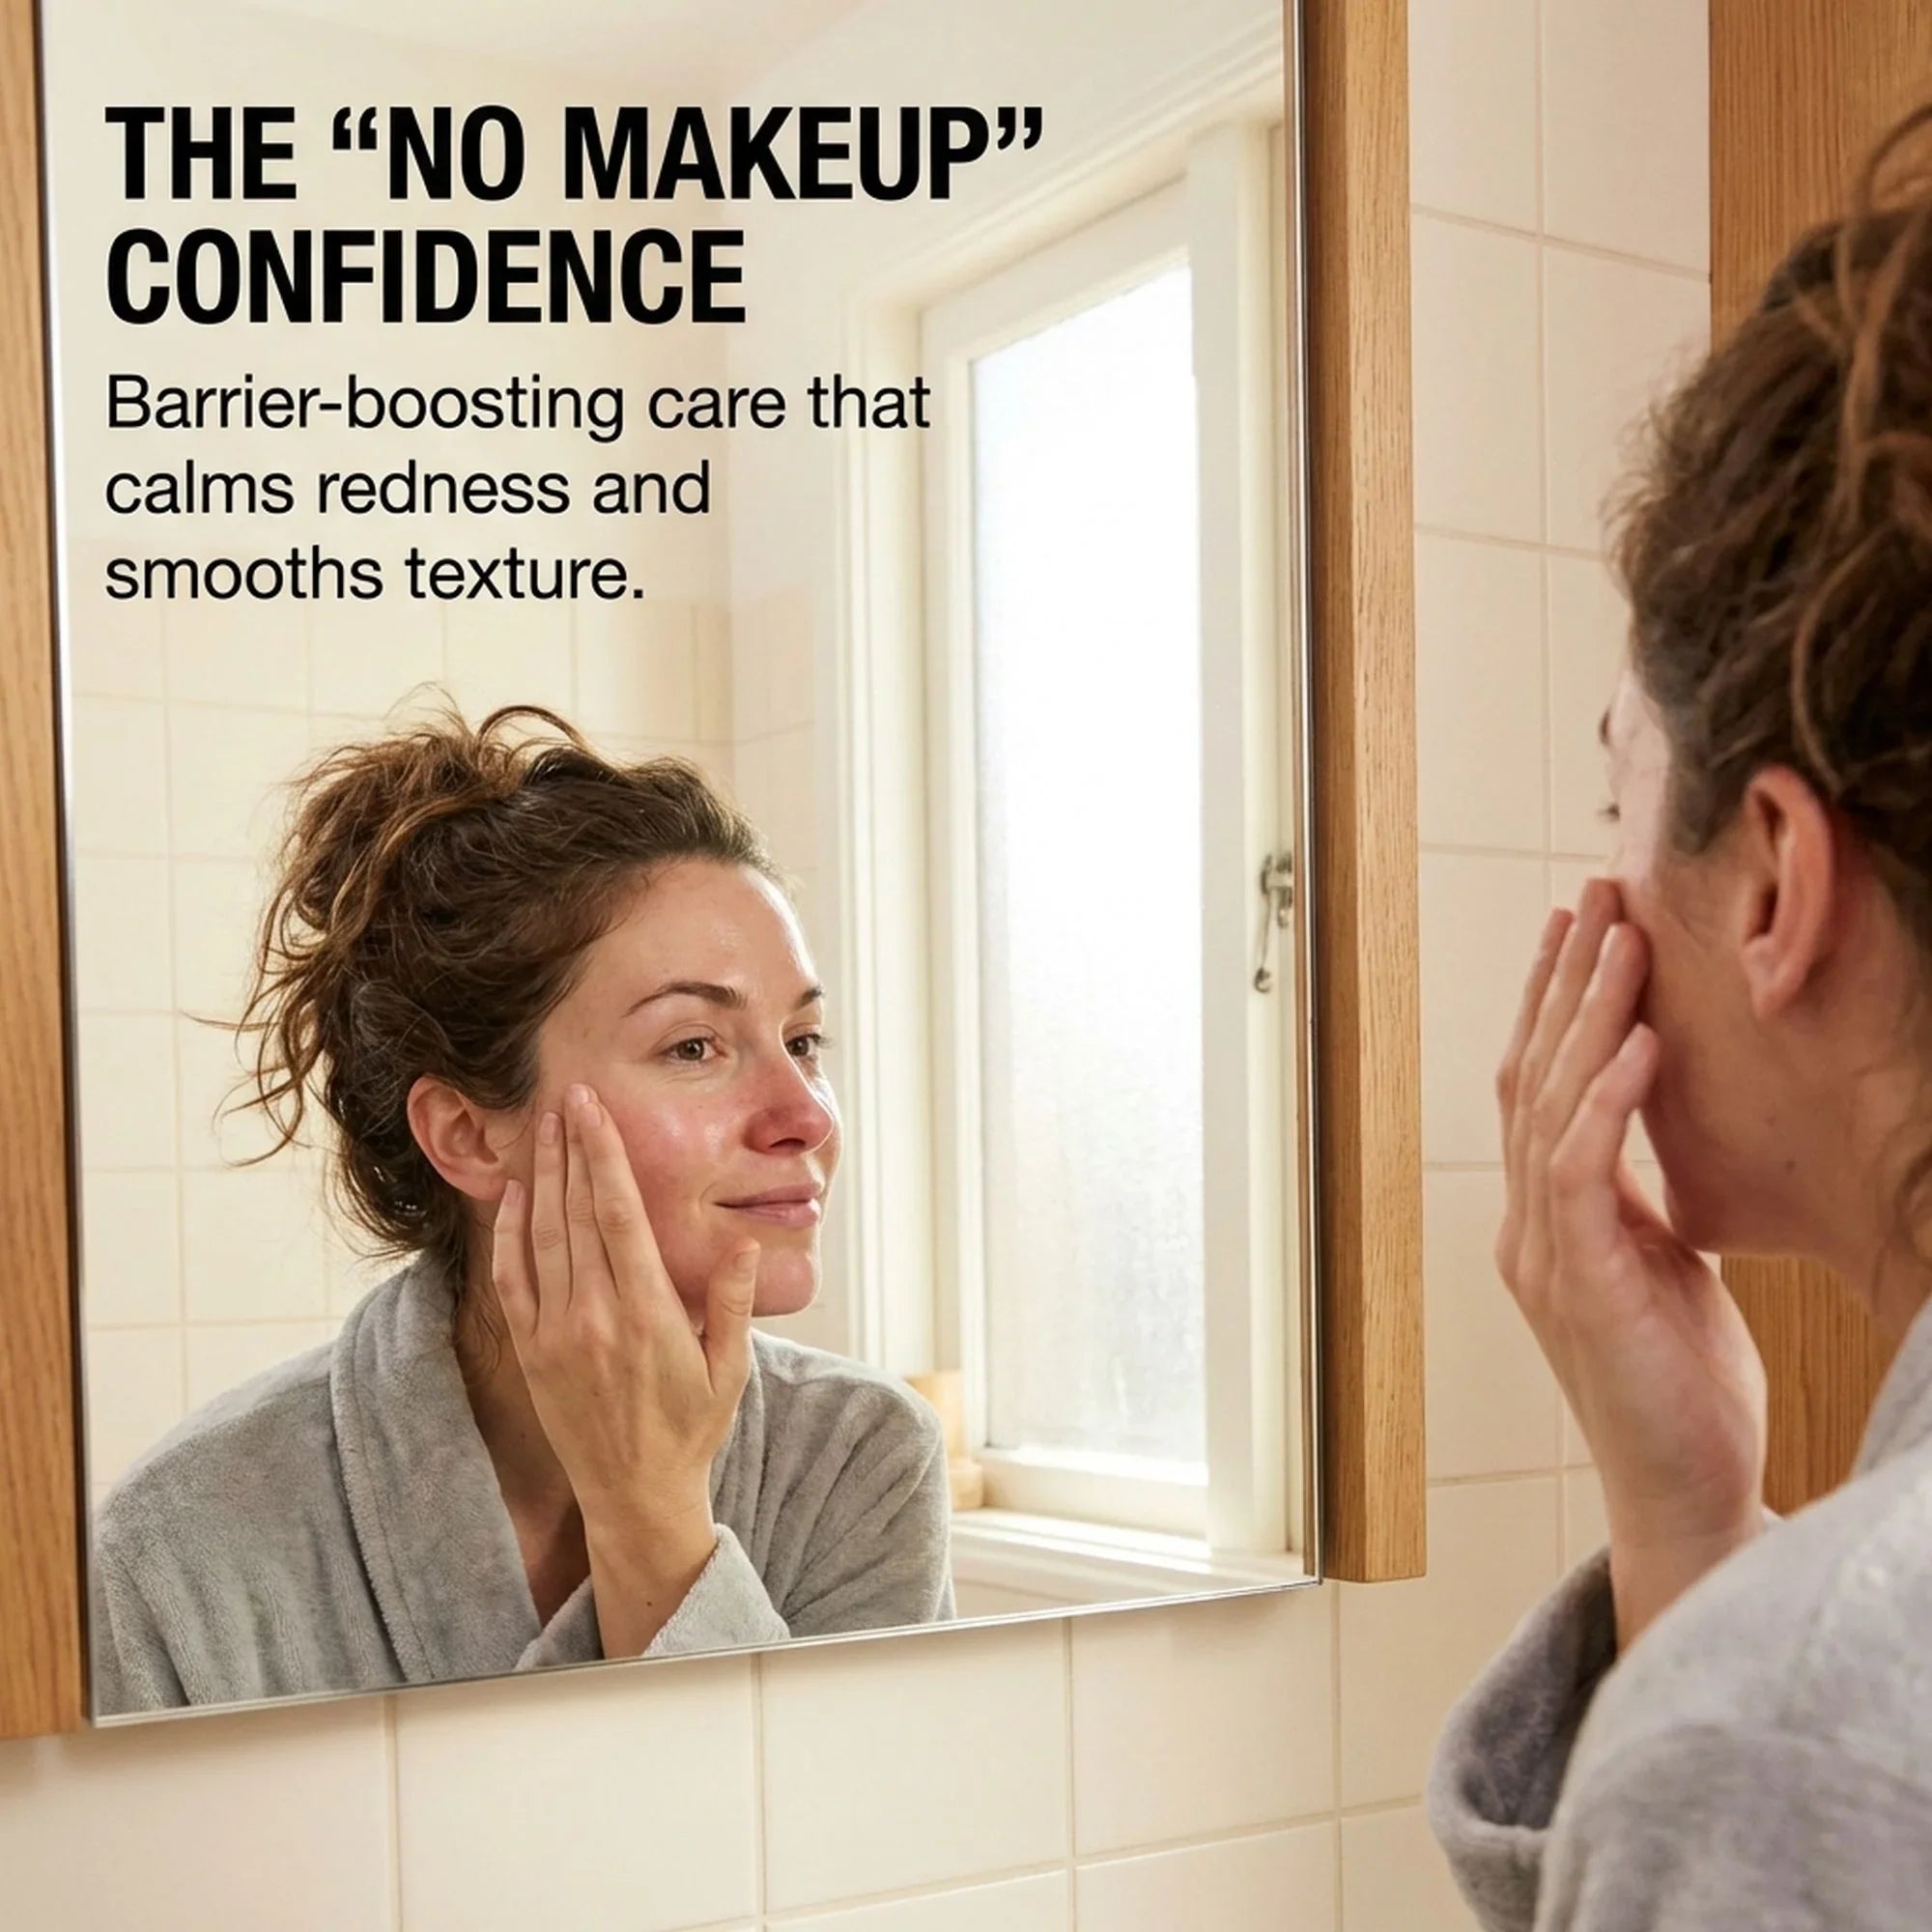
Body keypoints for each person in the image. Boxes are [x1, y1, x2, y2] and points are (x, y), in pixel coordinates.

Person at [1427, 107, 1932, 1927]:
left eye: (1615, 798)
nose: (1597, 897)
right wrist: (1694, 1531)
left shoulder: (1795, 1724)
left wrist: (1741, 1641)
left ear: (1779, 881)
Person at [92, 704, 954, 1713]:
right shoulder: (181, 1543)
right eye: (693, 1046)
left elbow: (842, 1865)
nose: (803, 1114)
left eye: (801, 1040)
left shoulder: (856, 1460)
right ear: (466, 1132)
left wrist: (652, 1515)